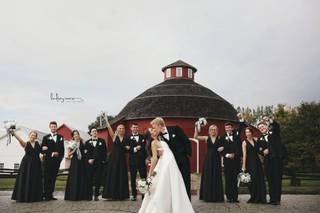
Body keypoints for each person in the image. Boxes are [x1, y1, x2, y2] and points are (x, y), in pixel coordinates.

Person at [138, 128, 194, 213]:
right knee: (162, 185)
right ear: (151, 135)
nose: (154, 129)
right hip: (164, 165)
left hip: (170, 164)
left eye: (153, 128)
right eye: (152, 130)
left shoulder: (160, 139)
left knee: (171, 186)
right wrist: (150, 173)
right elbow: (154, 159)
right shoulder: (154, 142)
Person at [151, 117, 192, 199]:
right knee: (175, 183)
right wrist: (159, 153)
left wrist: (187, 154)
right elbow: (159, 151)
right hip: (170, 164)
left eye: (154, 127)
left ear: (159, 125)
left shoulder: (175, 129)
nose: (153, 129)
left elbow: (186, 140)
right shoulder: (159, 138)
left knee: (185, 181)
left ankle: (187, 202)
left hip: (182, 161)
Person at [10, 129, 43, 202]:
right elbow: (20, 140)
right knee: (26, 178)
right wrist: (14, 134)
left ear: (36, 137)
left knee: (35, 179)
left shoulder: (38, 144)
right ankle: (24, 197)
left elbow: (41, 152)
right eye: (31, 135)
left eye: (34, 135)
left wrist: (43, 154)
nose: (33, 136)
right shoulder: (25, 144)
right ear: (29, 136)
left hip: (36, 164)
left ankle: (35, 197)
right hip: (26, 164)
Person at [194, 124, 224, 202]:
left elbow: (226, 146)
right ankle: (207, 196)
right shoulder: (206, 138)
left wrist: (223, 147)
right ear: (209, 131)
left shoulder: (220, 138)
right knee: (208, 176)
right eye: (212, 129)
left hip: (217, 159)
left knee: (216, 176)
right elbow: (195, 137)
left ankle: (216, 197)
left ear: (217, 131)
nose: (213, 131)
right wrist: (196, 128)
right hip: (208, 160)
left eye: (215, 129)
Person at [221, 113, 246, 202]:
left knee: (235, 180)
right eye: (226, 128)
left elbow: (242, 126)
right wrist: (227, 155)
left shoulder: (236, 134)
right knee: (228, 180)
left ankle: (235, 198)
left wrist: (241, 118)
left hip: (236, 161)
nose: (227, 129)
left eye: (229, 128)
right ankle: (229, 197)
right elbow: (221, 150)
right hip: (227, 162)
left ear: (232, 128)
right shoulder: (222, 138)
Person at [257, 120, 284, 205]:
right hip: (267, 162)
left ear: (267, 126)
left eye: (263, 126)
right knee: (270, 180)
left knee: (277, 180)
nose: (262, 128)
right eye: (260, 128)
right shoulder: (259, 139)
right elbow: (259, 150)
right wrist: (263, 152)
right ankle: (272, 199)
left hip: (276, 160)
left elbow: (277, 127)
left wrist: (272, 121)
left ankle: (277, 199)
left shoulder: (274, 134)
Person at [102, 118, 129, 200]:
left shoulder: (127, 139)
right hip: (114, 160)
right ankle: (112, 195)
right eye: (119, 128)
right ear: (117, 130)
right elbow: (109, 129)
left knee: (121, 175)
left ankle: (121, 195)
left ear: (124, 130)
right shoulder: (114, 137)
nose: (121, 129)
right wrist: (106, 121)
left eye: (122, 128)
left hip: (122, 160)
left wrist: (128, 147)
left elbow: (128, 148)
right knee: (113, 175)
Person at [241, 127, 266, 203]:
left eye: (248, 132)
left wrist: (263, 151)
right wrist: (244, 166)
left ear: (251, 132)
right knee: (252, 180)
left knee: (259, 179)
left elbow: (259, 150)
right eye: (246, 132)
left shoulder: (255, 140)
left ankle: (261, 198)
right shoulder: (244, 142)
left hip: (257, 162)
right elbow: (244, 155)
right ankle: (254, 197)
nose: (247, 134)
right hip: (249, 163)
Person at [41, 121, 64, 201]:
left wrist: (60, 159)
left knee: (53, 178)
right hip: (47, 162)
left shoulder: (61, 137)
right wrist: (52, 153)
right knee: (47, 178)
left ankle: (50, 194)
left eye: (55, 126)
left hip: (56, 162)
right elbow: (42, 150)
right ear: (50, 127)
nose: (53, 128)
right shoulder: (45, 137)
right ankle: (46, 195)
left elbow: (62, 150)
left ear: (56, 127)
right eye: (52, 126)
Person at [64, 130, 90, 201]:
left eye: (77, 134)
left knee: (82, 177)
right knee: (75, 177)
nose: (76, 135)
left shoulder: (83, 142)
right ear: (73, 136)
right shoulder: (71, 143)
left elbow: (85, 151)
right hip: (75, 162)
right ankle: (73, 195)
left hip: (82, 162)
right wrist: (74, 150)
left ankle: (82, 195)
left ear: (79, 135)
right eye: (74, 134)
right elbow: (68, 155)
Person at [84, 127, 107, 201]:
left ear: (97, 133)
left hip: (99, 163)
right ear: (90, 133)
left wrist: (103, 161)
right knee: (89, 179)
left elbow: (104, 152)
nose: (94, 132)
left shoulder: (102, 141)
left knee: (98, 179)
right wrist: (88, 159)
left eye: (95, 131)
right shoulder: (87, 142)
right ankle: (89, 196)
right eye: (93, 131)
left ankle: (96, 195)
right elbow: (85, 153)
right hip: (90, 164)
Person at [127, 123, 147, 201]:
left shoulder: (142, 137)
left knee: (143, 178)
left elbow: (145, 148)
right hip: (133, 161)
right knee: (133, 178)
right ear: (131, 128)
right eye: (133, 127)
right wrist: (135, 148)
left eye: (136, 127)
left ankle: (144, 194)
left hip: (142, 161)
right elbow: (127, 149)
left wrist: (146, 158)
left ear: (138, 128)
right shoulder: (128, 138)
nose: (135, 128)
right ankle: (134, 195)